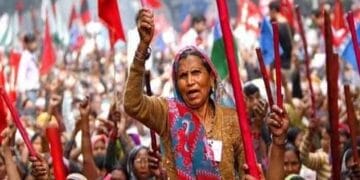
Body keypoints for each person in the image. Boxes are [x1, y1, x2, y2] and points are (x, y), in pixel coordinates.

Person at [124, 8, 289, 179]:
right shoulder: (166, 112)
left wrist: (277, 141)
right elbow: (132, 104)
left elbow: (250, 171)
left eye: (196, 73)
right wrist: (143, 48)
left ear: (211, 78)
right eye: (182, 76)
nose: (190, 81)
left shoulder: (232, 120)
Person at [17, 33, 40, 103]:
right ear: (27, 44)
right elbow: (21, 75)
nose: (35, 44)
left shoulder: (33, 55)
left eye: (35, 41)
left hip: (33, 91)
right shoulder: (25, 57)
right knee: (28, 113)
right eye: (32, 42)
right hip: (28, 92)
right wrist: (23, 95)